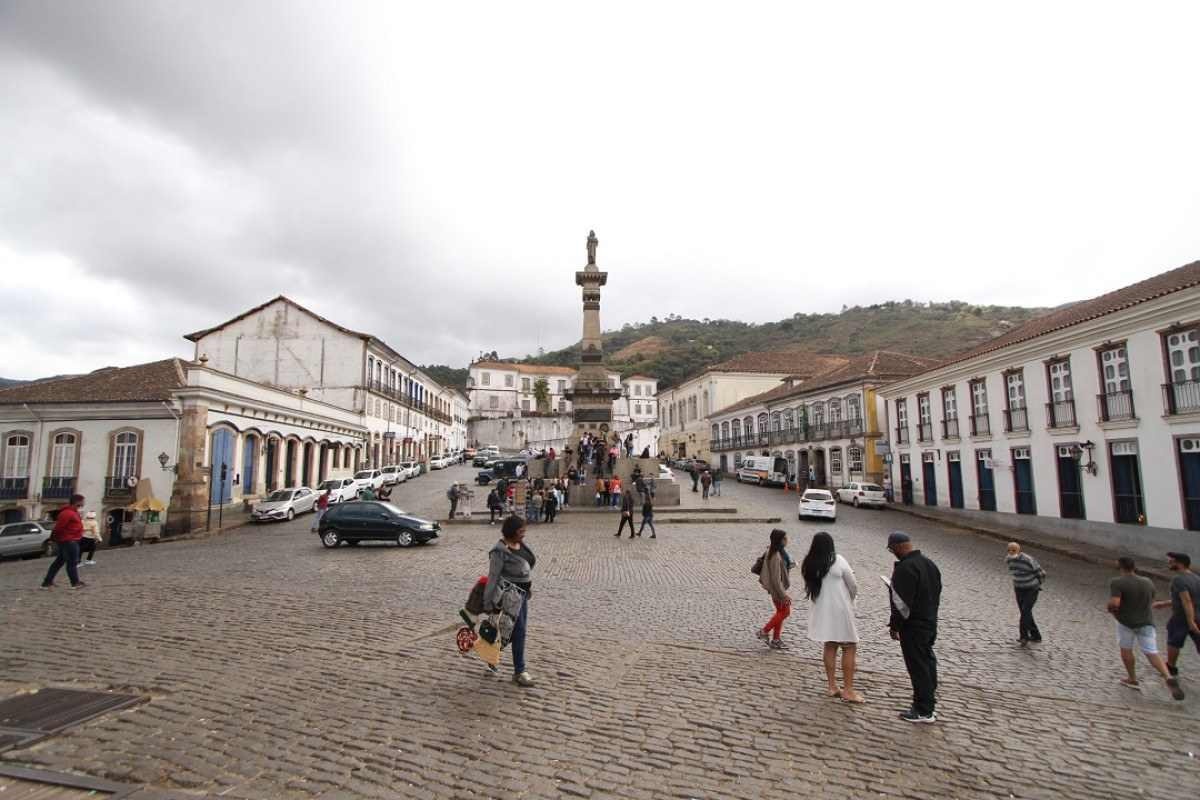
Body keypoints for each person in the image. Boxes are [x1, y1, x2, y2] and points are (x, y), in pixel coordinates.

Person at [1109, 556, 1184, 699]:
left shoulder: (1117, 582)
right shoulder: (1147, 581)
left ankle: (1132, 678)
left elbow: (1115, 604)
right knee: (1152, 652)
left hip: (1126, 623)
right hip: (1146, 622)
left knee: (1126, 650)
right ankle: (1167, 676)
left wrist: (1111, 610)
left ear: (1120, 566)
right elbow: (1152, 598)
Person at [886, 531, 942, 722]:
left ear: (898, 547)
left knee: (918, 667)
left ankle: (923, 709)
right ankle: (929, 703)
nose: (892, 553)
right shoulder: (929, 564)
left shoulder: (905, 568)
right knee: (927, 663)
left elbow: (902, 605)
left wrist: (895, 626)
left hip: (914, 626)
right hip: (930, 621)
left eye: (891, 549)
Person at [802, 532, 862, 703]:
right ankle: (848, 690)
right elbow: (853, 584)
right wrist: (851, 600)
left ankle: (832, 686)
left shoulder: (809, 563)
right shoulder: (838, 560)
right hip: (840, 609)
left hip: (822, 610)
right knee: (849, 646)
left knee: (830, 645)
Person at [485, 516, 537, 687]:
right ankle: (519, 671)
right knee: (518, 631)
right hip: (508, 597)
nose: (524, 534)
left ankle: (491, 655)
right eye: (521, 531)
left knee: (512, 631)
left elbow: (528, 562)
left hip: (522, 595)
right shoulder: (499, 551)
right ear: (512, 532)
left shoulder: (520, 544)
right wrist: (488, 603)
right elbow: (493, 578)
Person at [1154, 552, 1200, 677]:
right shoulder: (1196, 578)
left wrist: (1190, 621)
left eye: (1171, 561)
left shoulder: (1178, 579)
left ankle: (1171, 667)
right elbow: (1190, 599)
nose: (1169, 563)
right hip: (1198, 615)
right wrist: (1164, 603)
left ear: (1179, 563)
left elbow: (1187, 600)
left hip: (1181, 617)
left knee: (1174, 642)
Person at [41, 493, 86, 589]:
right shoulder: (67, 513)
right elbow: (59, 527)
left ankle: (47, 582)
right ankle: (75, 583)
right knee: (72, 562)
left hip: (71, 539)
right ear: (77, 501)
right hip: (69, 540)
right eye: (83, 500)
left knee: (58, 562)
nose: (84, 502)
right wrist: (54, 539)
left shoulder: (74, 512)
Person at [756, 529, 791, 649]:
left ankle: (776, 640)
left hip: (777, 589)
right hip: (777, 590)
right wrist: (783, 595)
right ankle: (764, 631)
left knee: (780, 612)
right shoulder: (775, 556)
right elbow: (776, 579)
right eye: (785, 538)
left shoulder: (775, 551)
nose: (788, 540)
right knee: (785, 612)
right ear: (780, 541)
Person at [1006, 542, 1045, 644]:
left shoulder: (1028, 560)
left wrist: (1038, 584)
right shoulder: (1008, 559)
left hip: (1032, 589)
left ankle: (1024, 636)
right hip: (1019, 588)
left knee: (1025, 611)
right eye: (1009, 550)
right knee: (1025, 612)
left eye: (1013, 550)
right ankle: (1036, 635)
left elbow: (1041, 573)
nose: (1011, 552)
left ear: (1019, 550)